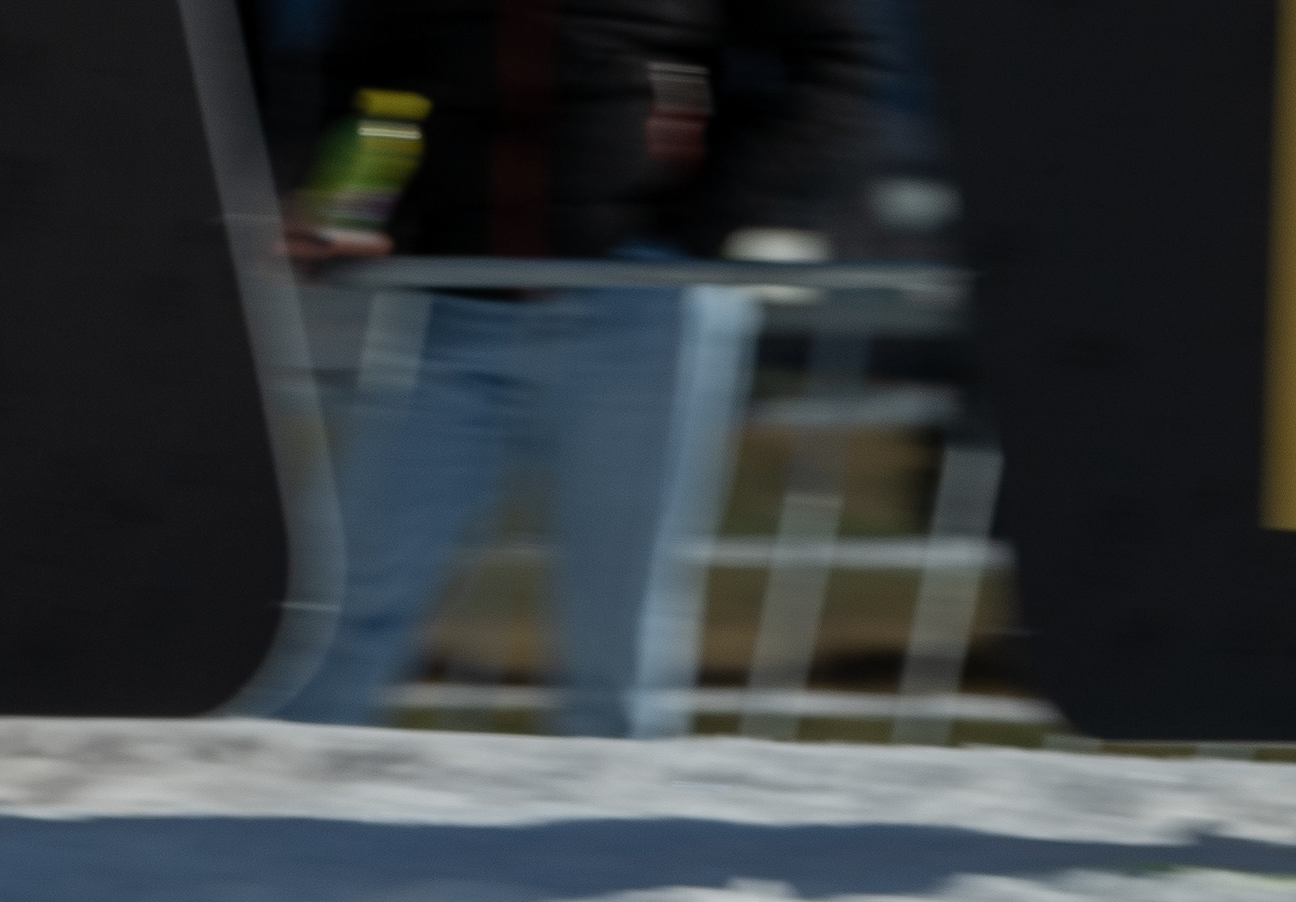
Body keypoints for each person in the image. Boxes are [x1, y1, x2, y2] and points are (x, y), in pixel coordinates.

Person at [265, 0, 888, 739]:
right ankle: (286, 800)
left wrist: (706, 219)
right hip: (446, 305)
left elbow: (836, 61)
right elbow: (375, 83)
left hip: (639, 304)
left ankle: (615, 813)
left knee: (619, 631)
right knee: (343, 602)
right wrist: (351, 203)